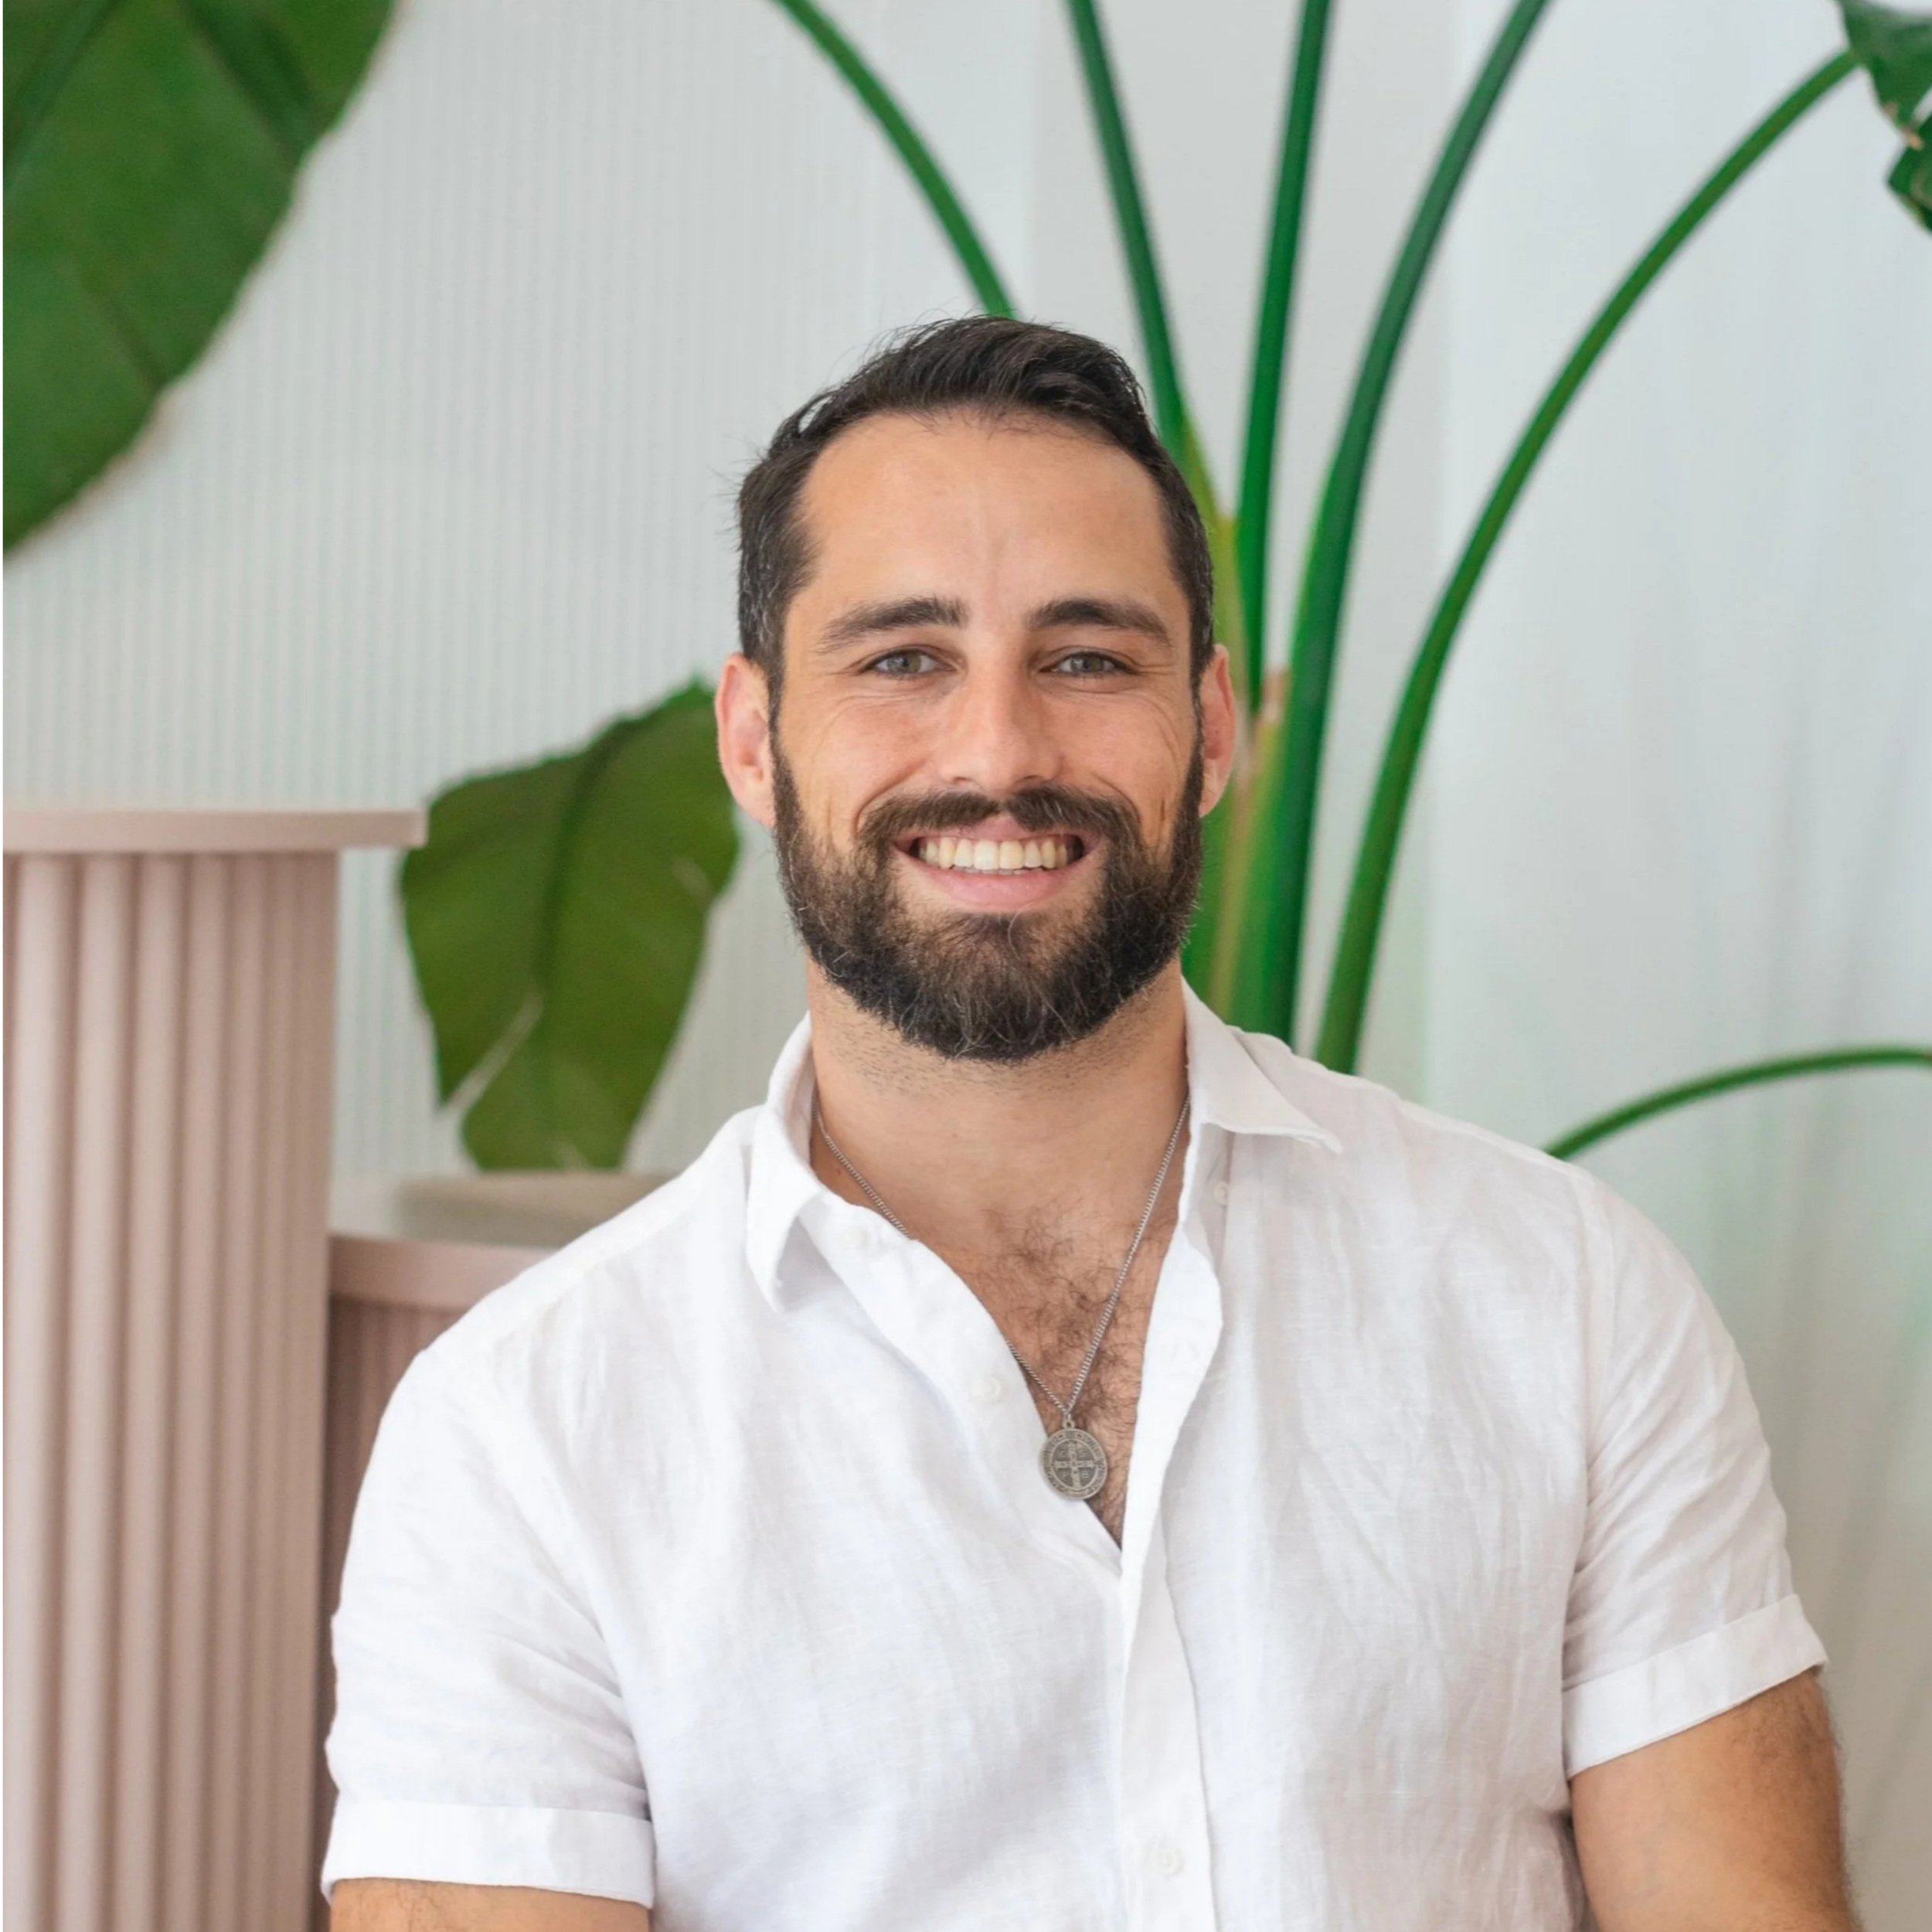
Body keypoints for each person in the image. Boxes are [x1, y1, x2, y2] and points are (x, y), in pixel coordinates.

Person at [325, 318, 1854, 1930]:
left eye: (1085, 659)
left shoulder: (1566, 1297)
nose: (998, 752)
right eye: (902, 660)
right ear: (755, 739)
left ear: (1210, 728)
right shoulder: (526, 1432)